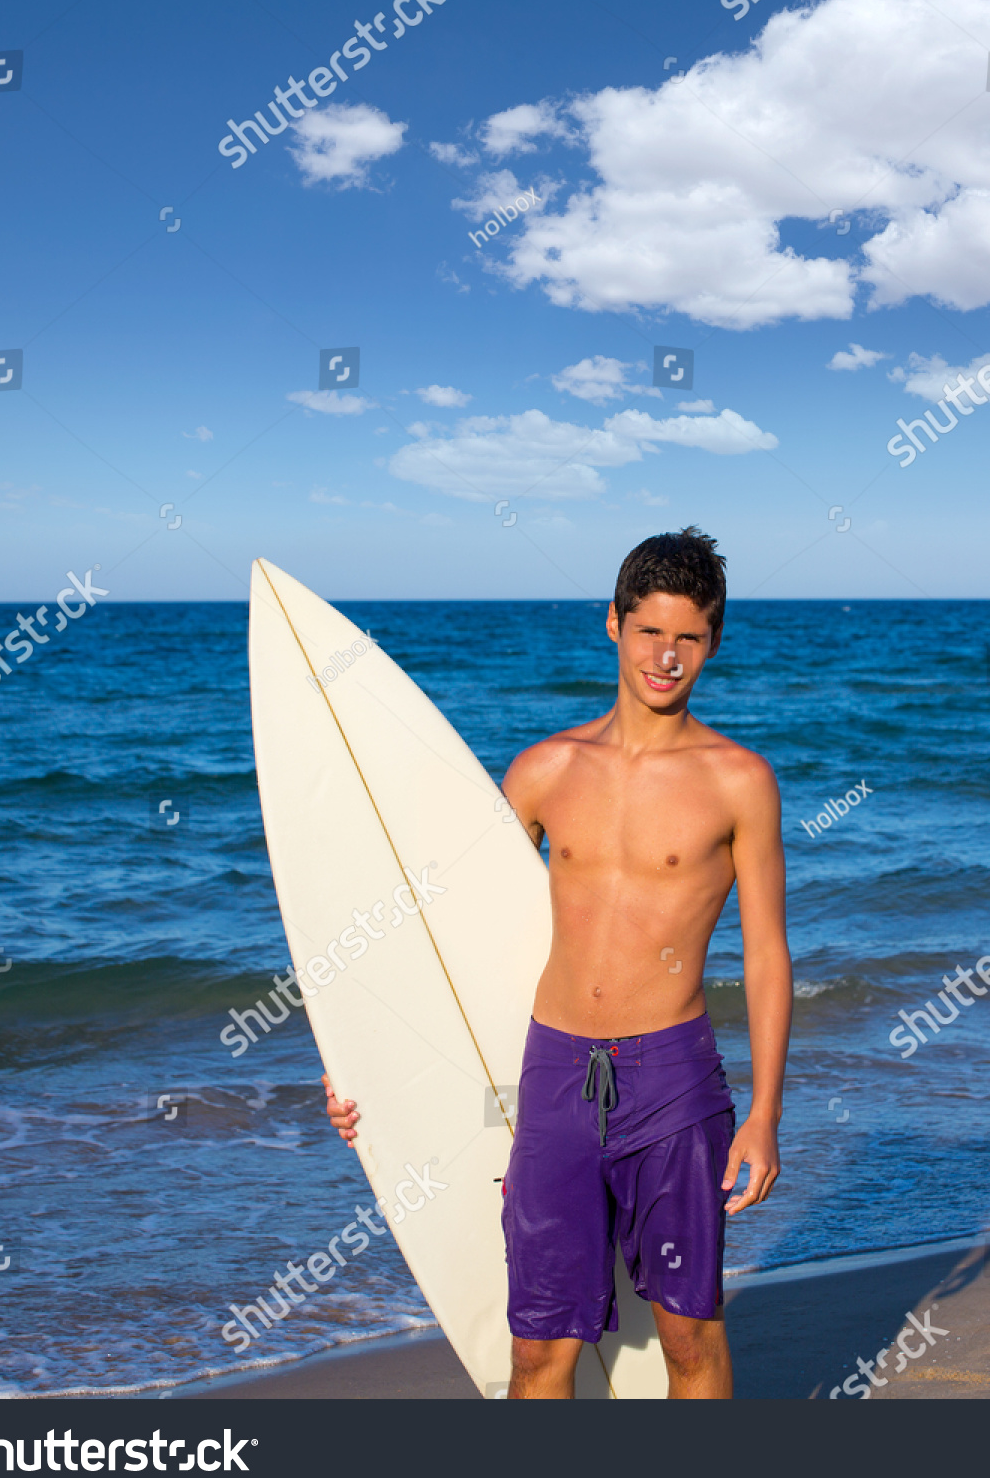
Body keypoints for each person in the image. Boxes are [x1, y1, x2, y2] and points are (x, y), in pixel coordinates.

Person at [324, 526, 792, 1398]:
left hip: (674, 1081)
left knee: (690, 1336)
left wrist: (765, 1113)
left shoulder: (739, 781)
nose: (667, 655)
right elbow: (442, 936)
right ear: (612, 624)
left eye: (689, 636)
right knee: (539, 1348)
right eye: (649, 630)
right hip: (555, 1076)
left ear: (714, 642)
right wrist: (362, 1072)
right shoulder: (543, 772)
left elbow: (766, 952)